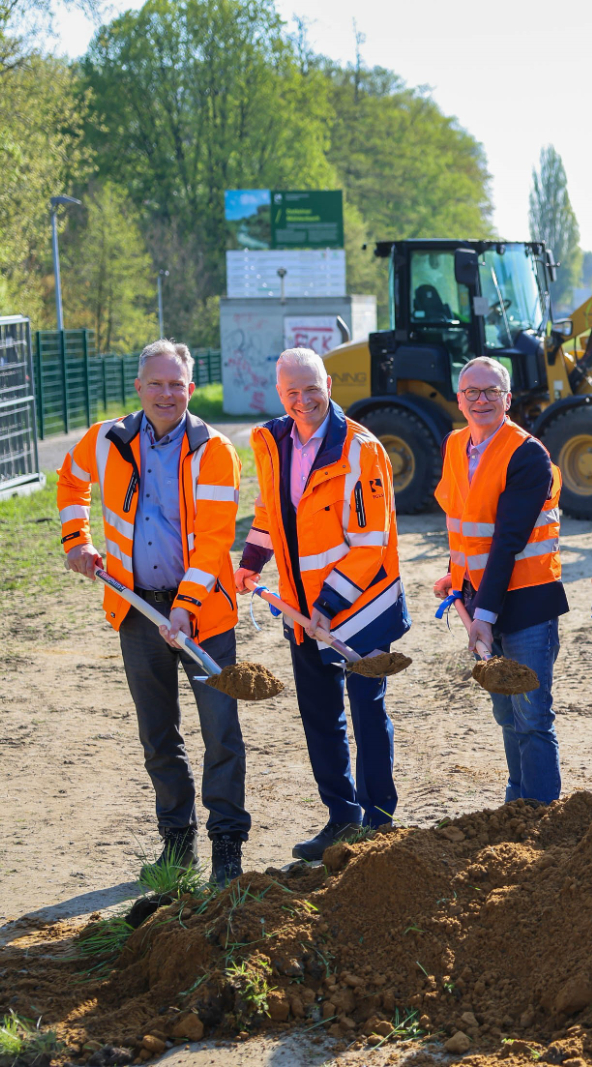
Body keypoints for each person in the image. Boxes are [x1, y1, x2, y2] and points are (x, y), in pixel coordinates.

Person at [57, 339, 249, 884]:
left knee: (221, 733)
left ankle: (227, 846)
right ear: (139, 387)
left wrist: (185, 608)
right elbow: (70, 479)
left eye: (177, 385)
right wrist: (76, 539)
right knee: (158, 735)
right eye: (157, 384)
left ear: (191, 388)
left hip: (203, 617)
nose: (167, 394)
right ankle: (177, 845)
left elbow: (214, 542)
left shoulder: (214, 450)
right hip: (137, 609)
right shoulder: (107, 439)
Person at [234, 347, 409, 860]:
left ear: (328, 385)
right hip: (302, 611)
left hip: (362, 606)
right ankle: (341, 818)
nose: (303, 400)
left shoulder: (361, 449)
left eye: (311, 388)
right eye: (292, 392)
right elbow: (269, 510)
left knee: (367, 712)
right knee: (320, 716)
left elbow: (371, 542)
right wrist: (252, 561)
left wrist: (328, 604)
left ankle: (379, 824)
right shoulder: (272, 442)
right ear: (279, 393)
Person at [433, 356, 568, 803]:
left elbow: (508, 539)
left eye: (492, 391)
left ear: (508, 399)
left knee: (531, 716)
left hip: (526, 603)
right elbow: (465, 523)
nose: (481, 400)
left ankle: (541, 813)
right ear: (459, 399)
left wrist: (484, 616)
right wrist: (456, 576)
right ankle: (517, 801)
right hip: (479, 597)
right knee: (506, 714)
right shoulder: (455, 445)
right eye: (472, 391)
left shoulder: (527, 454)